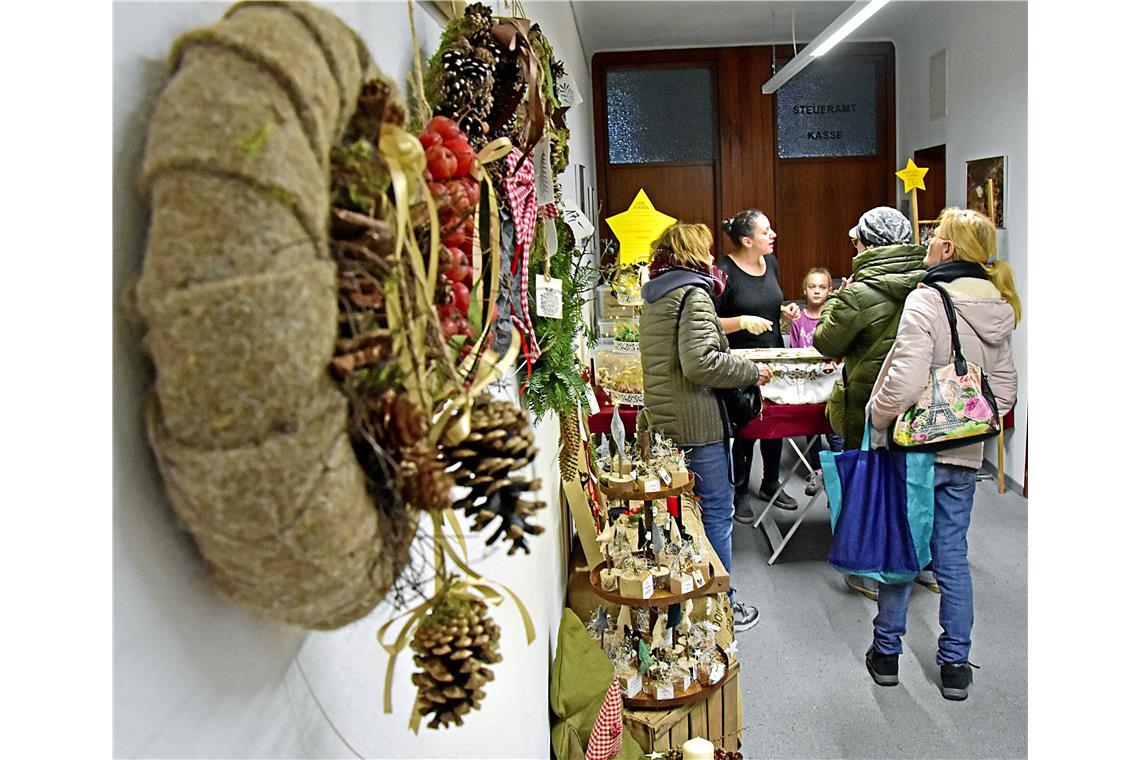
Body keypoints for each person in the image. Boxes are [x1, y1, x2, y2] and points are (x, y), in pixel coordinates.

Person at [861, 207, 1019, 701]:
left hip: (916, 452)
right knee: (952, 556)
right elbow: (1005, 389)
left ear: (947, 248)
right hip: (965, 454)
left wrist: (879, 418)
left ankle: (887, 654)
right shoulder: (996, 302)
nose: (927, 242)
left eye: (934, 237)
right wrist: (965, 419)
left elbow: (905, 379)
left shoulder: (927, 299)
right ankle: (955, 666)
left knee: (903, 549)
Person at [639, 221, 773, 632]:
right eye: (707, 249)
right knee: (716, 512)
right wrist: (750, 370)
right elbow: (701, 363)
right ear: (694, 252)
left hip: (665, 419)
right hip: (696, 424)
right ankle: (720, 605)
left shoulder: (656, 294)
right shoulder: (693, 294)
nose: (713, 256)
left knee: (677, 518)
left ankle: (680, 607)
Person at [813, 206, 928, 601]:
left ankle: (864, 569)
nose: (855, 247)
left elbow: (826, 342)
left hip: (869, 400)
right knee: (913, 483)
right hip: (918, 402)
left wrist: (834, 300)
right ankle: (921, 563)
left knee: (865, 484)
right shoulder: (927, 283)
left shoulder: (858, 292)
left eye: (857, 241)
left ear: (868, 245)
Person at [715, 209, 801, 521]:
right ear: (747, 240)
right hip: (740, 362)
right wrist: (741, 321)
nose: (773, 235)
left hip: (774, 354)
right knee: (747, 426)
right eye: (766, 231)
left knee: (776, 423)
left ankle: (770, 482)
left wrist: (784, 312)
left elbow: (768, 304)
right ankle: (740, 492)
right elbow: (710, 322)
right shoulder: (723, 270)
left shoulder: (771, 262)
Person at [786, 267, 844, 496]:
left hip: (830, 383)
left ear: (829, 291)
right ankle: (816, 470)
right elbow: (793, 352)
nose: (817, 291)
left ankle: (839, 469)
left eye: (822, 287)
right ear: (804, 290)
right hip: (808, 384)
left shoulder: (833, 318)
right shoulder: (798, 320)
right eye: (812, 286)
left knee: (834, 427)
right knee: (812, 429)